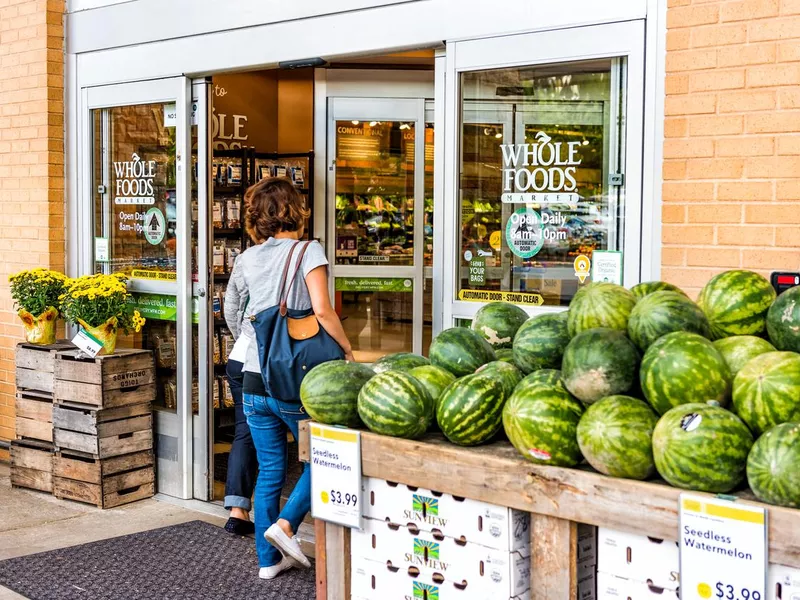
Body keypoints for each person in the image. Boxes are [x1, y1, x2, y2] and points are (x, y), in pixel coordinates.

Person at [237, 177, 355, 580]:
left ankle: (267, 563)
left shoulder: (247, 258)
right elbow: (322, 310)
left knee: (270, 469)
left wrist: (257, 341)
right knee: (326, 455)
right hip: (297, 381)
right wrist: (347, 349)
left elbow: (236, 313)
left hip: (255, 377)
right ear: (294, 210)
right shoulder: (309, 250)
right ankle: (286, 526)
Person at [222, 254, 258, 536]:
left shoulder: (245, 258)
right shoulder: (300, 256)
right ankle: (283, 520)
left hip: (239, 356)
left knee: (244, 431)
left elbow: (231, 306)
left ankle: (238, 510)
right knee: (278, 434)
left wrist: (241, 337)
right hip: (270, 361)